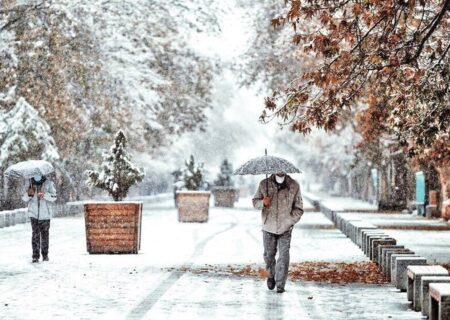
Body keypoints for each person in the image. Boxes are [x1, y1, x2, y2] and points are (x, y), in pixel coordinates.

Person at [252, 172, 303, 293]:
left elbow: (299, 208)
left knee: (284, 257)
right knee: (269, 255)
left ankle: (280, 284)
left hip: (285, 228)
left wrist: (290, 221)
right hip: (268, 226)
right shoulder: (264, 184)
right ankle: (270, 275)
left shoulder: (294, 186)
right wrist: (263, 203)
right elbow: (255, 202)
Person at [22, 174, 57, 263]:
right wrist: (29, 194)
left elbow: (54, 197)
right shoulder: (29, 183)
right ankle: (35, 256)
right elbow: (24, 198)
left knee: (45, 235)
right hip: (33, 214)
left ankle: (45, 255)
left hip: (45, 215)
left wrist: (45, 195)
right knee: (35, 235)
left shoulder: (48, 183)